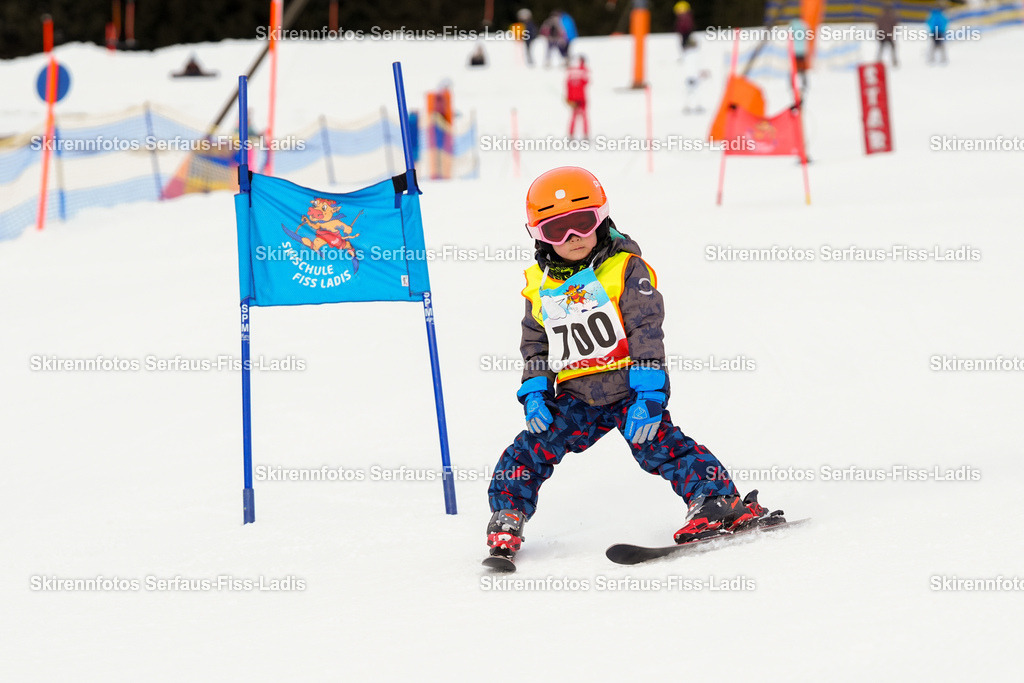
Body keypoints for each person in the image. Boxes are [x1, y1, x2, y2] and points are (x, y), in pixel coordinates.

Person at [485, 167, 784, 562]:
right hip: (577, 397)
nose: (572, 238)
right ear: (539, 236)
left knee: (660, 446)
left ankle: (718, 502)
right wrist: (536, 392)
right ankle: (508, 514)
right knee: (529, 451)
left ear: (602, 218)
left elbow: (646, 329)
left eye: (582, 223)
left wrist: (649, 392)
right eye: (557, 231)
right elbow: (535, 343)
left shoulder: (625, 269)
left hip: (629, 390)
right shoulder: (539, 285)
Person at [565, 56, 589, 139]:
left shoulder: (570, 72)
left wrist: (568, 97)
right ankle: (585, 134)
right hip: (582, 98)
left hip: (573, 98)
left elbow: (567, 85)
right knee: (584, 116)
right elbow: (586, 82)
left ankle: (571, 134)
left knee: (574, 116)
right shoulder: (583, 71)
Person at [790, 17, 809, 93]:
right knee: (802, 70)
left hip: (794, 51)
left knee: (794, 69)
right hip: (802, 51)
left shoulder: (792, 26)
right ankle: (805, 83)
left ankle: (792, 84)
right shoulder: (803, 25)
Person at [876, 3, 899, 68]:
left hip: (882, 36)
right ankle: (894, 61)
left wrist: (878, 35)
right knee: (893, 49)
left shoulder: (880, 17)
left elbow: (878, 26)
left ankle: (878, 61)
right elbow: (895, 24)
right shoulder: (892, 17)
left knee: (881, 49)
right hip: (889, 36)